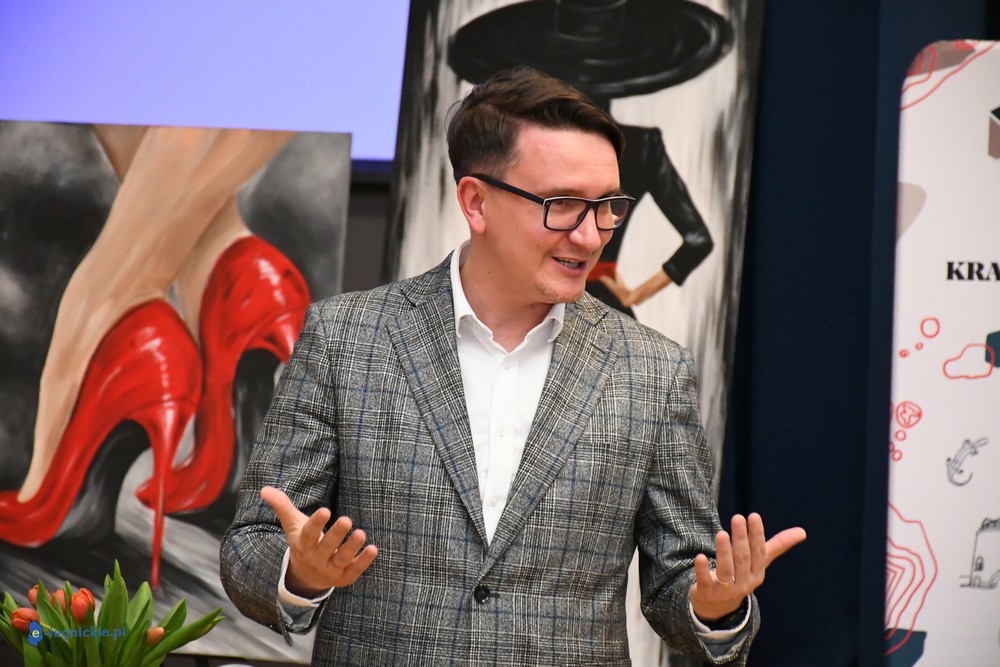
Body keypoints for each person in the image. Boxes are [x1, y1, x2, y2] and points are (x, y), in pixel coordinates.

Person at [219, 66, 805, 665]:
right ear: (476, 202)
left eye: (608, 206)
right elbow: (251, 546)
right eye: (564, 205)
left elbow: (681, 578)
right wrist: (301, 573)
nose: (591, 236)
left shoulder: (652, 372)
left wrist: (714, 606)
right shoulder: (346, 339)